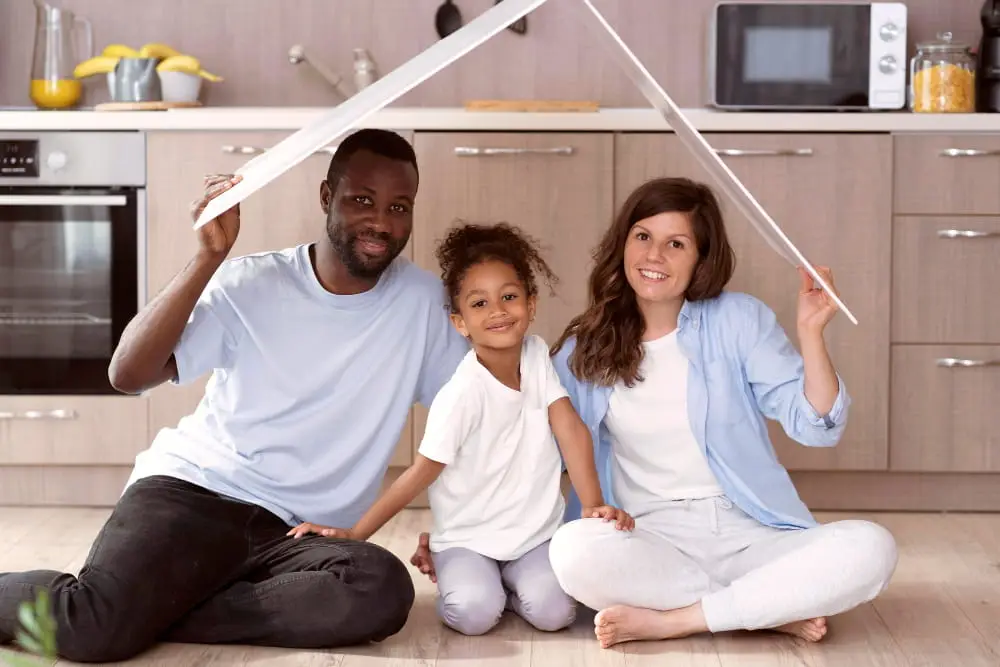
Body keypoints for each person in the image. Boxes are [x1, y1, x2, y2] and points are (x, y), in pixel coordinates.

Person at [0, 129, 470, 663]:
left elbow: (472, 422)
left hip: (300, 538)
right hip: (194, 493)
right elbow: (128, 374)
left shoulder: (425, 305)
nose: (382, 222)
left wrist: (460, 528)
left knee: (379, 588)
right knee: (93, 628)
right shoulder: (251, 282)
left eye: (399, 207)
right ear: (326, 197)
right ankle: (126, 608)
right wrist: (207, 258)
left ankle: (156, 608)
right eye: (362, 200)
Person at [534, 176, 899, 648]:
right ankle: (765, 608)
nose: (653, 257)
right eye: (642, 236)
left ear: (701, 260)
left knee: (872, 546)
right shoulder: (587, 346)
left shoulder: (739, 320)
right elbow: (535, 451)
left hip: (750, 532)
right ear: (622, 242)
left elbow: (817, 426)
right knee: (573, 552)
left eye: (676, 244)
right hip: (648, 535)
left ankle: (679, 619)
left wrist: (811, 332)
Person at [290, 222, 634, 637]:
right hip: (467, 538)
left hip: (532, 535)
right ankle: (453, 563)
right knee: (473, 615)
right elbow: (418, 474)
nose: (498, 311)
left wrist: (594, 505)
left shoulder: (537, 354)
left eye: (509, 297)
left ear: (531, 303)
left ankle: (506, 581)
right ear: (460, 323)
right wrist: (354, 535)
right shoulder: (462, 395)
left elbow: (571, 429)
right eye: (479, 304)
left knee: (556, 614)